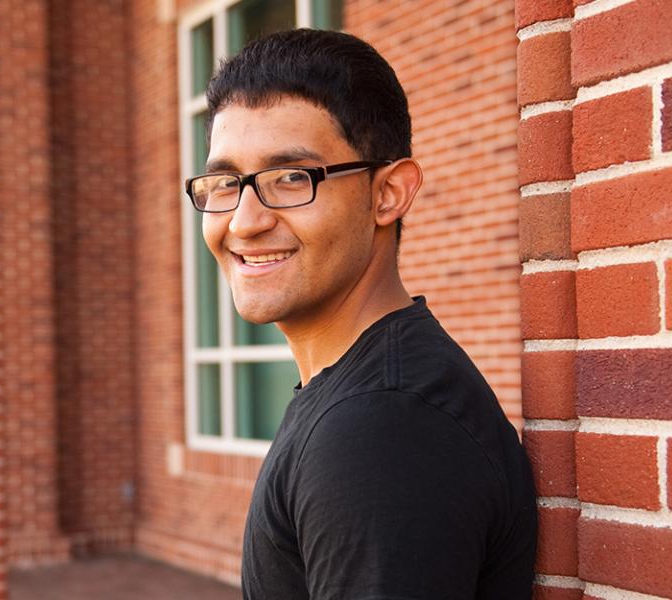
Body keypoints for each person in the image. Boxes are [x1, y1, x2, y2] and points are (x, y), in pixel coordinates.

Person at [184, 28, 537, 599]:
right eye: (226, 183)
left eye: (291, 178)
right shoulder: (357, 391)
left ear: (388, 194)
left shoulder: (384, 429)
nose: (244, 221)